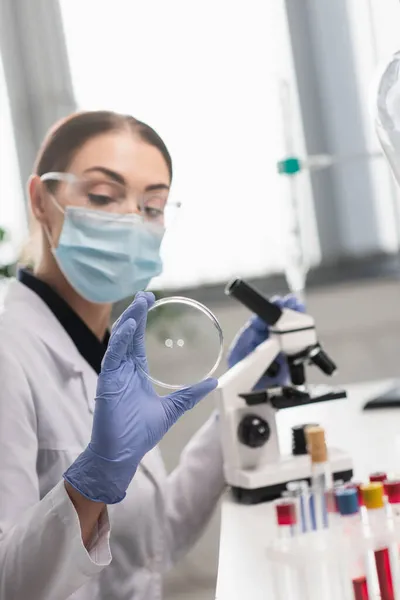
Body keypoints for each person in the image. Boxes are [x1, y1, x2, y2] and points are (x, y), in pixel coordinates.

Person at [0, 110, 303, 600]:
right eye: (102, 196)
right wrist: (90, 485)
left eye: (152, 205)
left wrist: (240, 394)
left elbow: (154, 543)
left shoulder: (102, 346)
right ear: (40, 199)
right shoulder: (8, 354)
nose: (129, 219)